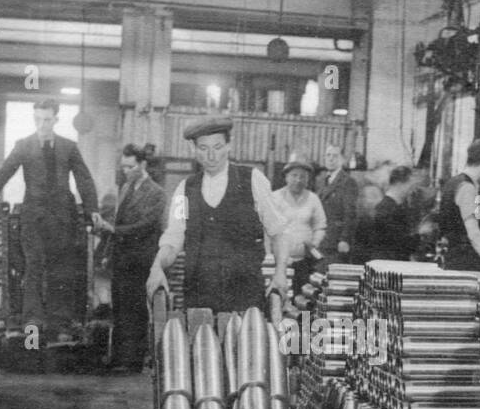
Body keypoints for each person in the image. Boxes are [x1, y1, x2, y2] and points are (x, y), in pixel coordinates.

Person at [145, 116, 288, 312]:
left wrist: (280, 273)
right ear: (193, 150)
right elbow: (174, 237)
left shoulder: (253, 180)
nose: (211, 155)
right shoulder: (184, 189)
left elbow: (278, 232)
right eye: (203, 148)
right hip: (198, 297)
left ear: (229, 146)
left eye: (218, 147)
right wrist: (157, 266)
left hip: (244, 295)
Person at [0, 99, 101, 345]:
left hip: (63, 218)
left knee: (60, 271)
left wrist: (92, 209)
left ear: (55, 120)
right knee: (33, 268)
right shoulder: (23, 146)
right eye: (38, 119)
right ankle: (33, 325)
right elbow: (4, 173)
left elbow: (84, 180)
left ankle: (60, 324)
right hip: (33, 219)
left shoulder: (69, 147)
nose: (42, 124)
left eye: (47, 119)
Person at [108, 144, 166, 370]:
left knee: (135, 309)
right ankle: (119, 358)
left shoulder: (156, 193)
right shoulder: (125, 188)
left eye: (130, 167)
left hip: (140, 260)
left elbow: (144, 226)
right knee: (120, 308)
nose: (125, 171)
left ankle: (133, 361)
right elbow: (120, 219)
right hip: (122, 258)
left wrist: (114, 231)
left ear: (142, 165)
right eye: (123, 167)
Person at [439, 140, 480, 274]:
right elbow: (474, 234)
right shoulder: (467, 188)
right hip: (465, 259)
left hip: (456, 255)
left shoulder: (455, 183)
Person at [271, 159, 326, 292]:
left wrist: (315, 242)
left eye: (303, 177)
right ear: (286, 177)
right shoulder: (275, 198)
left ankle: (304, 314)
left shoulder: (313, 199)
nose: (298, 180)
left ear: (308, 180)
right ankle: (278, 313)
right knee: (278, 294)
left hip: (304, 261)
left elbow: (320, 225)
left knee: (304, 296)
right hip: (278, 261)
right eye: (294, 175)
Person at [364, 165, 418, 261]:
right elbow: (400, 243)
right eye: (410, 185)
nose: (413, 190)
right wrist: (420, 234)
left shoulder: (392, 207)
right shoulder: (386, 210)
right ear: (399, 184)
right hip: (388, 266)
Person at [316, 144, 359, 264]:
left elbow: (350, 214)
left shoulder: (348, 182)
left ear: (342, 160)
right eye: (328, 155)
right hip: (321, 239)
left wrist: (345, 239)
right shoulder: (321, 181)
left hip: (336, 241)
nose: (330, 159)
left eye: (335, 156)